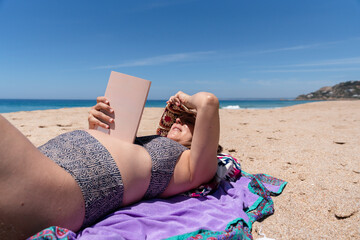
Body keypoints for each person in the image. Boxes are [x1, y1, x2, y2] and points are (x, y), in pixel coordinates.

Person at [0, 91, 220, 239]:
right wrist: (96, 126)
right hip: (43, 163)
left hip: (62, 187)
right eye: (178, 118)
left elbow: (208, 101)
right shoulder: (143, 142)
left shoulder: (192, 166)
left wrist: (184, 97)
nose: (178, 120)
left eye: (188, 121)